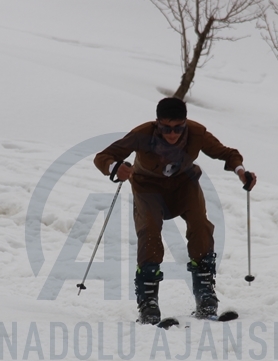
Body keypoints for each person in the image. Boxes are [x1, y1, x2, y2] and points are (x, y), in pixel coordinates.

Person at [94, 97, 257, 324]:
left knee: (200, 225)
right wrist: (115, 168)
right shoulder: (142, 134)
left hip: (184, 184)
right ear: (157, 123)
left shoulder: (196, 133)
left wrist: (241, 171)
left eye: (178, 128)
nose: (172, 134)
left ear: (185, 123)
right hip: (148, 188)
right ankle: (148, 303)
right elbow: (102, 157)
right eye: (166, 128)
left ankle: (205, 296)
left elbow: (227, 154)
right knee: (149, 231)